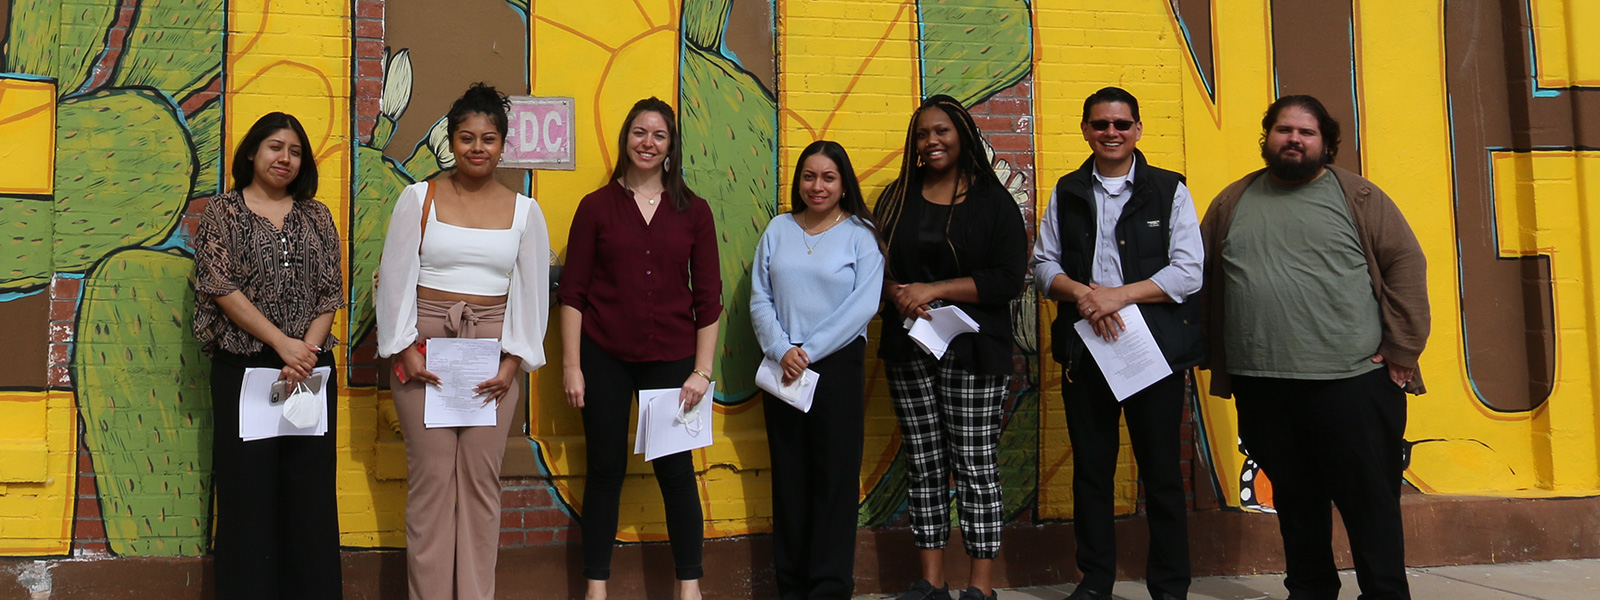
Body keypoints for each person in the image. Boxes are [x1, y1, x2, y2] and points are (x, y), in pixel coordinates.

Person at [1199, 95, 1430, 600]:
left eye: (1306, 132)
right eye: (1284, 130)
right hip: (1264, 386)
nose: (1294, 140)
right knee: (1298, 508)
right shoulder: (1231, 202)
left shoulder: (1360, 198)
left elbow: (1406, 267)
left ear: (1326, 142)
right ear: (1268, 138)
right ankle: (1309, 592)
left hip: (1352, 385)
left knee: (1370, 506)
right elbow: (1205, 278)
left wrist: (1402, 350)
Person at [375, 82, 551, 600]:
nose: (478, 148)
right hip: (422, 355)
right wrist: (405, 350)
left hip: (492, 364)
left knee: (480, 485)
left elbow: (531, 295)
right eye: (467, 137)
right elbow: (395, 278)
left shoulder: (525, 212)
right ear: (451, 142)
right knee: (430, 483)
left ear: (503, 145)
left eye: (489, 138)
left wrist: (511, 364)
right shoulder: (418, 197)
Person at [1030, 87, 1202, 600]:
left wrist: (1118, 298)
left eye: (1121, 124)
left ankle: (1169, 587)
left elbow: (1188, 272)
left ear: (1138, 130)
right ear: (1085, 129)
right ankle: (1095, 581)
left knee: (1162, 476)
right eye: (1101, 124)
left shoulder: (1170, 189)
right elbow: (1042, 266)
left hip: (1154, 355)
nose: (1111, 133)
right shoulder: (1067, 191)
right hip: (1087, 352)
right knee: (1093, 473)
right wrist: (1086, 297)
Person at [558, 97, 721, 600]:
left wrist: (702, 371)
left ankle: (688, 587)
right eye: (639, 133)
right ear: (625, 139)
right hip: (603, 357)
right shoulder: (596, 207)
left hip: (672, 359)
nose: (647, 143)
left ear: (671, 147)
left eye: (659, 136)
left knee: (676, 473)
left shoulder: (693, 211)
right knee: (605, 470)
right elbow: (572, 294)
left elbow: (709, 297)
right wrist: (572, 366)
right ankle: (596, 587)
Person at [873, 95, 1028, 600]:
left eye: (941, 131)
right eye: (922, 133)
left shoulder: (991, 201)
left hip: (973, 351)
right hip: (909, 347)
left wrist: (934, 290)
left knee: (975, 465)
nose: (931, 141)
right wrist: (897, 292)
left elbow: (1007, 279)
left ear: (962, 134)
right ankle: (930, 582)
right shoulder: (898, 197)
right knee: (925, 463)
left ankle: (979, 587)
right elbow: (875, 269)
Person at [193, 111, 344, 599]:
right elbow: (220, 286)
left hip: (309, 371)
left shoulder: (316, 215)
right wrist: (283, 344)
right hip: (246, 372)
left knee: (310, 498)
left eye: (296, 151)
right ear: (253, 152)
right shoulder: (222, 213)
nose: (286, 158)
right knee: (247, 499)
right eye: (276, 147)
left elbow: (330, 292)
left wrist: (307, 353)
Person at [750, 140, 885, 599]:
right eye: (809, 176)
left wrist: (809, 350)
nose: (818, 186)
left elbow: (863, 304)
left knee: (834, 481)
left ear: (844, 183)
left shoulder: (861, 235)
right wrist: (780, 346)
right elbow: (760, 296)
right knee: (790, 479)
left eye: (828, 177)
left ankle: (829, 586)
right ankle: (791, 584)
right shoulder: (778, 229)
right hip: (783, 368)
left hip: (836, 367)